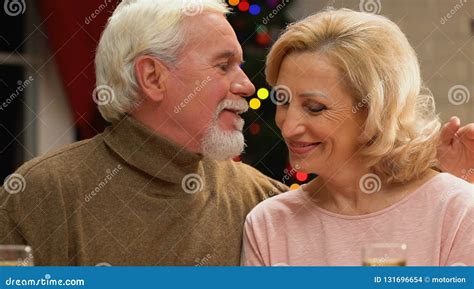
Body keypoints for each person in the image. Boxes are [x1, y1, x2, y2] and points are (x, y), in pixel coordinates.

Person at [0, 1, 472, 266]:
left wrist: (441, 185)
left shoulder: (257, 200)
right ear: (153, 77)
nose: (250, 88)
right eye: (224, 65)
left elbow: (368, 204)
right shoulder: (45, 191)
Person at [241, 8, 474, 266]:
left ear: (376, 110)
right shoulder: (269, 224)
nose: (288, 127)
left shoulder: (458, 210)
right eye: (283, 102)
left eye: (315, 107)